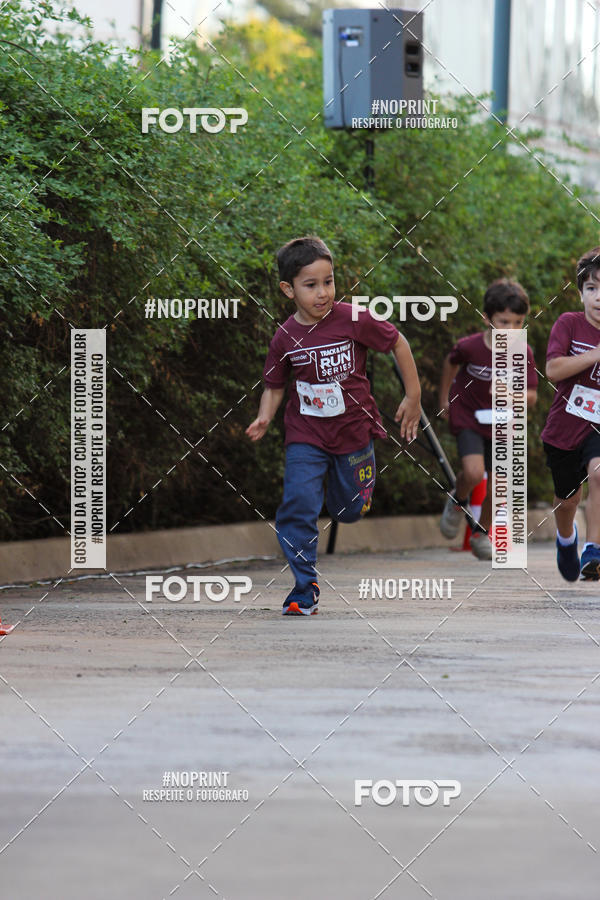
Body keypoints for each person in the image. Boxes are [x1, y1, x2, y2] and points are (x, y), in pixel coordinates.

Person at [246, 235, 421, 615]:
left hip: (354, 432)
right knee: (298, 504)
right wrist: (265, 415)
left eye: (329, 282)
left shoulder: (353, 317)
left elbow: (397, 343)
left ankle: (355, 490)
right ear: (287, 289)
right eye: (311, 285)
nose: (323, 293)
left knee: (349, 511)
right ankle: (303, 588)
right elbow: (274, 386)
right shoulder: (284, 338)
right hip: (306, 435)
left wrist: (413, 395)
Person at [438, 279, 538, 559]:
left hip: (503, 421)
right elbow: (450, 362)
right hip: (469, 414)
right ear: (487, 318)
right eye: (504, 322)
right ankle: (457, 500)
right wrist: (445, 398)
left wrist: (512, 396)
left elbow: (531, 397)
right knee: (472, 472)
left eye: (518, 323)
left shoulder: (522, 352)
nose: (511, 330)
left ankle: (482, 532)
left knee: (500, 483)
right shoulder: (470, 347)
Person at [541, 247, 600, 581]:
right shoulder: (569, 324)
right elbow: (553, 368)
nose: (598, 297)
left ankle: (593, 550)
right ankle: (566, 539)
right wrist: (595, 355)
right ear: (580, 294)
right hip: (564, 429)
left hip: (597, 429)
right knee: (567, 499)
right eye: (591, 288)